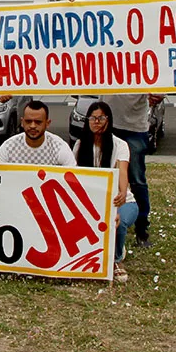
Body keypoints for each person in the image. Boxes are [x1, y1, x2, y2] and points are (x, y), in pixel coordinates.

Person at [72, 101, 136, 283]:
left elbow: (122, 171)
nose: (96, 122)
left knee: (119, 221)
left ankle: (116, 259)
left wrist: (122, 193)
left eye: (101, 118)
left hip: (119, 201)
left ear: (108, 120)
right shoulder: (80, 145)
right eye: (93, 118)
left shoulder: (120, 145)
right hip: (91, 201)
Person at [99, 93, 161, 247]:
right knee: (101, 175)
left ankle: (141, 229)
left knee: (137, 179)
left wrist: (158, 95)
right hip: (108, 122)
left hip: (134, 127)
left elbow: (160, 85)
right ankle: (101, 223)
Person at [0, 101, 76, 166]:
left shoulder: (58, 147)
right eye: (28, 121)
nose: (32, 126)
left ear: (47, 123)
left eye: (38, 122)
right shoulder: (8, 146)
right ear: (22, 122)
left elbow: (74, 175)